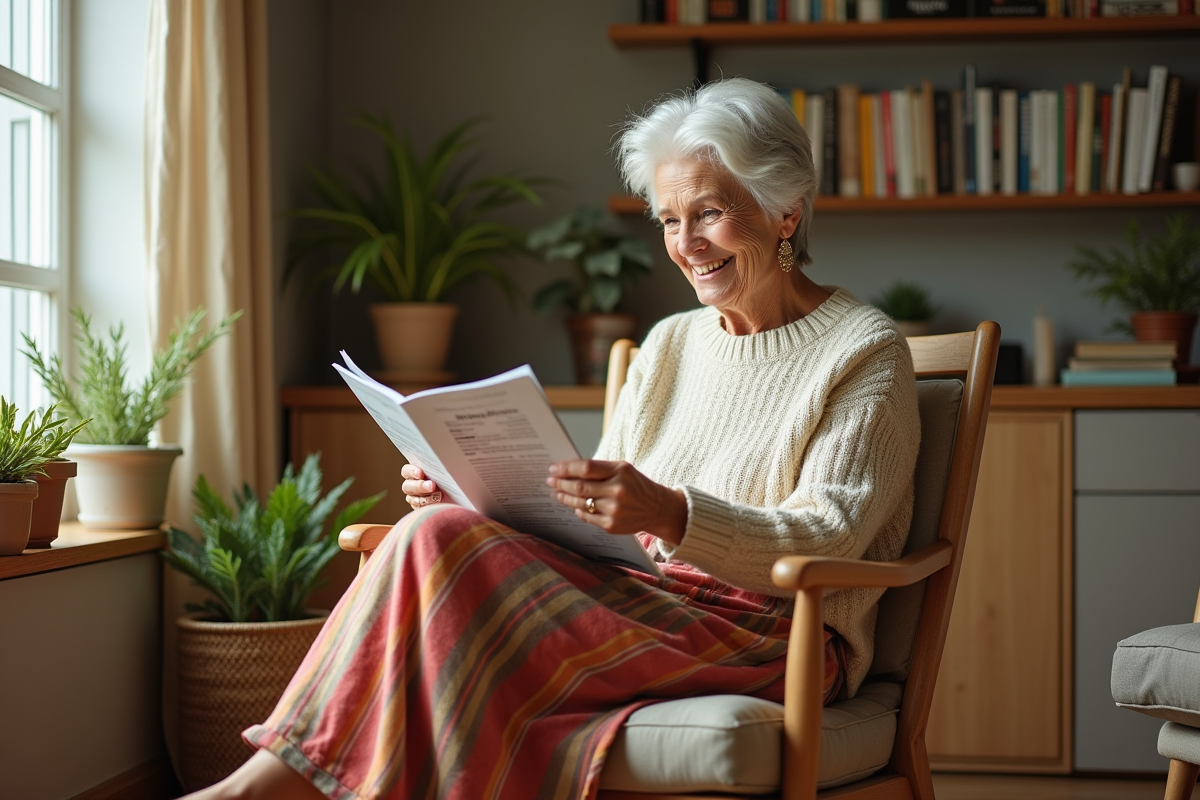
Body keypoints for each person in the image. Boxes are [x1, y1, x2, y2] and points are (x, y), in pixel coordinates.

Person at [189, 76, 920, 800]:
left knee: (439, 563)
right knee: (435, 528)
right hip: (641, 594)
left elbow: (832, 535)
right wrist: (468, 488)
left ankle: (258, 790)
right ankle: (260, 788)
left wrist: (672, 515)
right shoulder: (668, 346)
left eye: (709, 213)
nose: (687, 244)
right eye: (668, 220)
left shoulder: (863, 351)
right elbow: (596, 510)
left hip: (769, 631)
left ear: (785, 210)